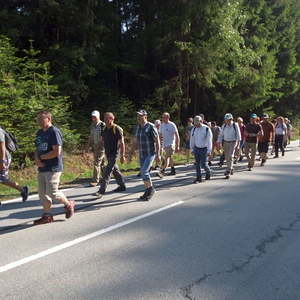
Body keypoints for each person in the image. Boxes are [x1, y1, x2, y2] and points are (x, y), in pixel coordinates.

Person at [34, 110, 75, 225]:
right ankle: (47, 216)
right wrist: (37, 159)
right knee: (42, 194)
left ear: (49, 119)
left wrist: (42, 158)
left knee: (53, 192)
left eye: (41, 119)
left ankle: (68, 204)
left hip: (53, 167)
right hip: (42, 168)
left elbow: (57, 151)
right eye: (38, 119)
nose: (39, 121)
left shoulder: (54, 132)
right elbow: (37, 149)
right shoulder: (39, 133)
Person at [130, 110, 161, 201]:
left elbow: (157, 140)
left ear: (145, 116)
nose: (139, 118)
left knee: (144, 171)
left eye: (141, 116)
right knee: (143, 173)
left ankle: (151, 189)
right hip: (142, 153)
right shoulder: (138, 127)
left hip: (150, 153)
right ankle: (147, 190)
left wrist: (158, 154)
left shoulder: (151, 126)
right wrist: (131, 153)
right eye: (138, 116)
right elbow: (135, 141)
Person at [95, 113, 126, 198]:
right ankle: (122, 186)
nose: (105, 120)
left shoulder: (116, 128)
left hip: (114, 154)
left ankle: (101, 191)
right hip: (108, 153)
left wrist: (122, 155)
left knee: (107, 172)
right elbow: (101, 140)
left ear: (112, 119)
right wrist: (96, 148)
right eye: (104, 118)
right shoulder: (104, 129)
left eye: (107, 118)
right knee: (115, 171)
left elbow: (122, 143)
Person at [0, 127, 29, 202]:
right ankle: (23, 189)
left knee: (2, 178)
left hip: (4, 157)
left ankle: (23, 189)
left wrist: (3, 161)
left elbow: (2, 147)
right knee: (3, 179)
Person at [217, 113, 241, 178]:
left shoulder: (235, 125)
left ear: (231, 119)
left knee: (230, 156)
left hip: (233, 142)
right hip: (225, 143)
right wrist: (218, 142)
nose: (227, 121)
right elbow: (221, 135)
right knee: (227, 157)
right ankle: (231, 168)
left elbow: (239, 135)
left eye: (228, 120)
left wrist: (238, 145)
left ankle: (228, 170)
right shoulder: (224, 126)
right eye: (226, 120)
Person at [190, 115, 212, 183]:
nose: (196, 125)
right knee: (197, 164)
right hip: (196, 148)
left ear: (201, 121)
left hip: (204, 149)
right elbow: (192, 139)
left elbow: (209, 140)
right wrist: (192, 149)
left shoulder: (206, 129)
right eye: (195, 123)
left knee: (203, 164)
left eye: (197, 123)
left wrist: (209, 150)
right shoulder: (193, 129)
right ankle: (198, 177)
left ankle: (208, 172)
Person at [86, 110, 105, 186]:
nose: (93, 118)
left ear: (98, 116)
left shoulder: (102, 125)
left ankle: (95, 180)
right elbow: (91, 137)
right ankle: (105, 177)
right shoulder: (92, 126)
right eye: (92, 117)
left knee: (97, 162)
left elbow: (103, 136)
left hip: (101, 146)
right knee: (102, 163)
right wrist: (88, 146)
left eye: (95, 117)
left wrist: (100, 145)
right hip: (95, 145)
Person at [158, 112, 180, 177]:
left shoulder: (172, 125)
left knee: (166, 157)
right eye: (162, 117)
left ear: (168, 117)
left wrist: (177, 145)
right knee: (169, 157)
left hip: (171, 144)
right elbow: (160, 135)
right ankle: (173, 170)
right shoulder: (162, 125)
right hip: (165, 144)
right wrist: (160, 144)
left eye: (164, 117)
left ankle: (162, 171)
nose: (162, 118)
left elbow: (177, 135)